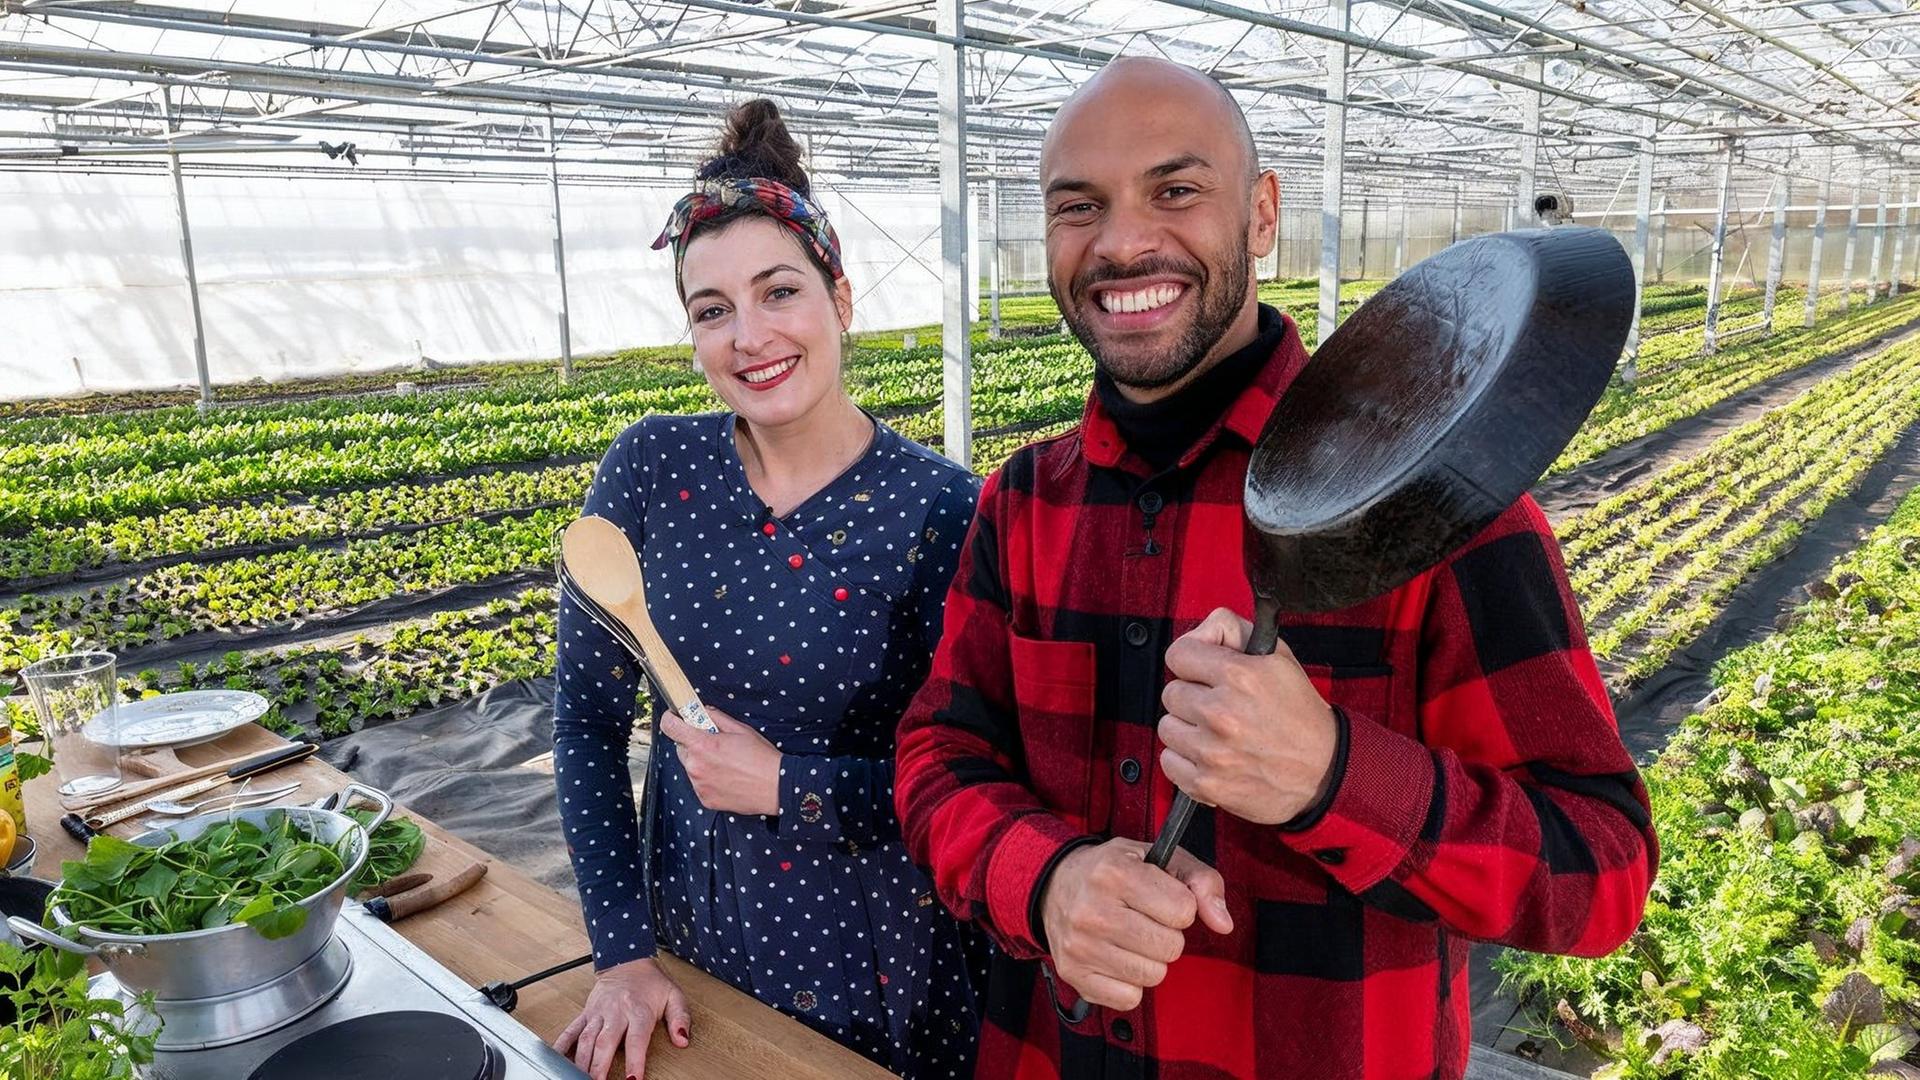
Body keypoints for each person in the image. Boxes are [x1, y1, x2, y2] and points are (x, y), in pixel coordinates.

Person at [894, 58, 1659, 1079]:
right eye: (1079, 206)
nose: (1122, 243)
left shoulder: (1430, 506)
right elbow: (937, 757)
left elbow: (1598, 872)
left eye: (1176, 191)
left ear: (1260, 215)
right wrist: (1048, 879)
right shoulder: (1023, 501)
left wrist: (1331, 773)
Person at [552, 99, 984, 1080]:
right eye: (713, 310)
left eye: (778, 291)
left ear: (841, 297)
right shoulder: (651, 470)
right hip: (691, 937)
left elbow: (979, 788)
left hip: (880, 959)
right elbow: (584, 721)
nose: (749, 336)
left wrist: (791, 786)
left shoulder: (943, 511)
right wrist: (621, 951)